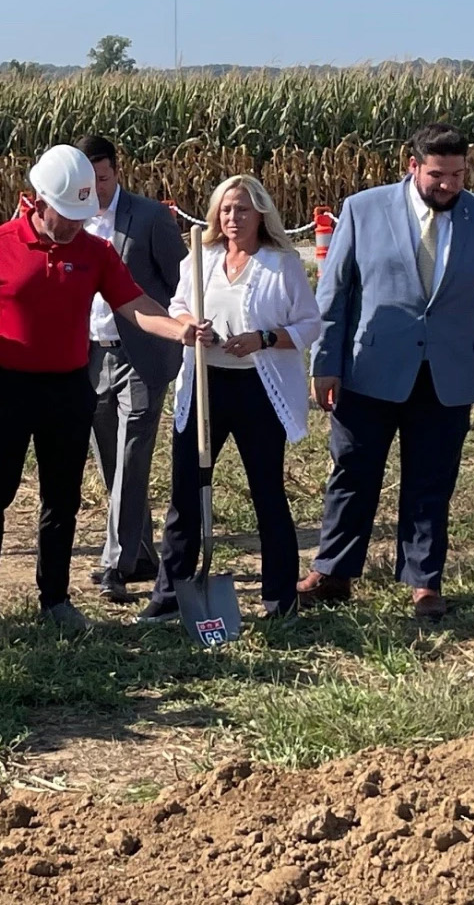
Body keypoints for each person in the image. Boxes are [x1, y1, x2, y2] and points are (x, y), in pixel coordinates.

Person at [0, 144, 209, 635]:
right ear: (37, 200)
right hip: (9, 387)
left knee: (62, 499)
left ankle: (56, 600)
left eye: (80, 216)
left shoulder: (95, 252)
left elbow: (133, 303)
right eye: (66, 215)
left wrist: (180, 329)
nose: (73, 226)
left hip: (70, 387)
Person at [304, 124, 474, 619]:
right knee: (353, 473)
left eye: (459, 174)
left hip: (447, 374)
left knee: (432, 480)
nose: (449, 185)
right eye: (438, 174)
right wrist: (324, 363)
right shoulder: (363, 209)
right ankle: (333, 571)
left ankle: (424, 581)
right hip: (368, 369)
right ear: (412, 165)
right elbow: (334, 293)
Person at [139, 175, 320, 624]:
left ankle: (280, 599)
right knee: (186, 489)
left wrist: (263, 338)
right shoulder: (200, 258)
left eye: (241, 209)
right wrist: (189, 327)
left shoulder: (282, 264)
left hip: (259, 389)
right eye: (225, 210)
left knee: (267, 491)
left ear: (260, 213)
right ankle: (170, 594)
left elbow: (309, 324)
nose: (232, 218)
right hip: (205, 384)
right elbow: (177, 306)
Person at [74, 135, 185, 603]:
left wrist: (179, 331)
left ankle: (113, 563)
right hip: (91, 354)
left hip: (141, 354)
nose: (96, 188)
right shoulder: (71, 220)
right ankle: (139, 552)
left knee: (133, 454)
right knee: (112, 462)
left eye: (102, 178)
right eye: (87, 180)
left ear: (116, 172)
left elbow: (181, 283)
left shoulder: (151, 217)